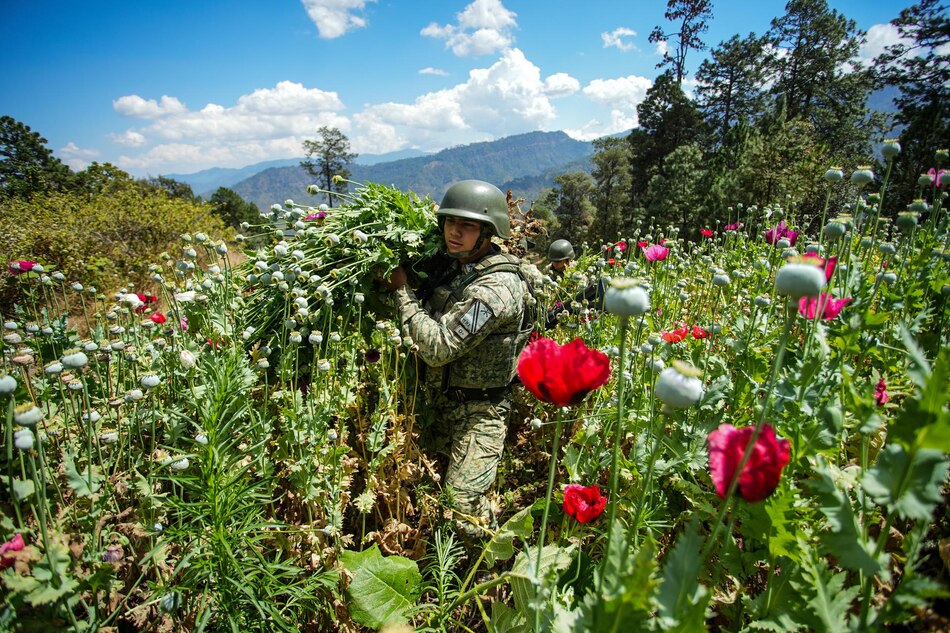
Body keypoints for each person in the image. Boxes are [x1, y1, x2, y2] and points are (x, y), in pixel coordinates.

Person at [386, 180, 531, 541]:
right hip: (440, 405)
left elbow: (438, 347)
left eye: (467, 225)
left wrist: (400, 290)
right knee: (423, 491)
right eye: (450, 221)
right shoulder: (456, 267)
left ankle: (487, 574)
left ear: (489, 231)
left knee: (463, 503)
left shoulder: (495, 288)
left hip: (481, 412)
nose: (454, 230)